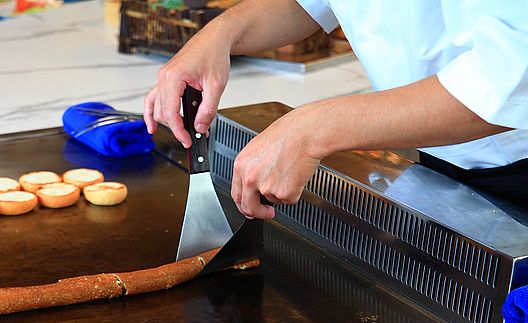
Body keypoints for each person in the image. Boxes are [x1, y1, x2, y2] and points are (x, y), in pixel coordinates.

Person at [144, 1, 528, 215]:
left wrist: (312, 128)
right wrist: (219, 34)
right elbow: (308, 3)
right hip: (442, 158)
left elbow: (503, 82)